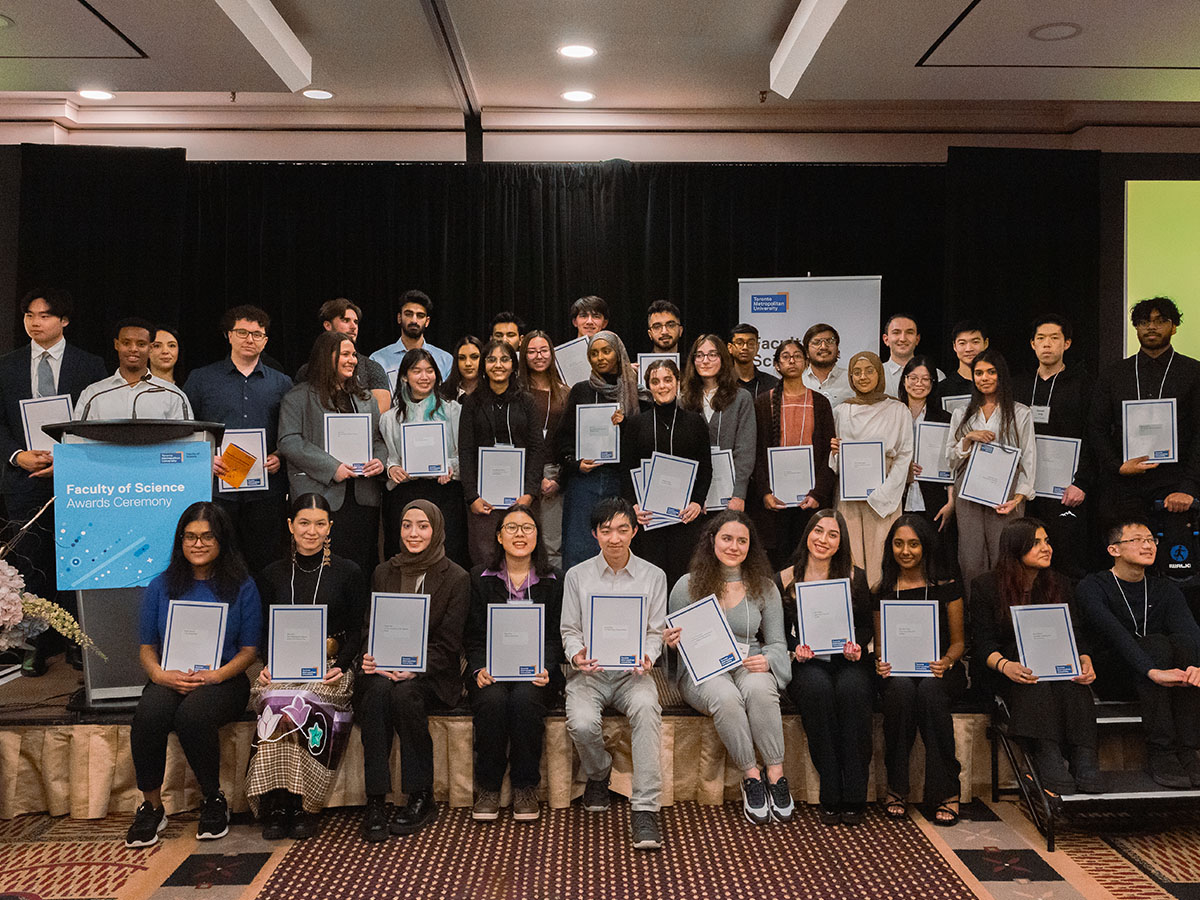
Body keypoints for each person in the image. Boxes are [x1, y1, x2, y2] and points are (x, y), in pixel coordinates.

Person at [124, 502, 261, 847]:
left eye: (207, 537)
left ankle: (213, 799)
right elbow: (146, 647)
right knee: (149, 714)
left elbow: (249, 651)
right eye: (190, 537)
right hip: (170, 676)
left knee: (193, 715)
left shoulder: (242, 586)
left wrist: (216, 676)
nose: (198, 544)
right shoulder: (160, 586)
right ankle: (152, 807)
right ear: (180, 541)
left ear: (221, 541)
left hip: (224, 680)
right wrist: (159, 676)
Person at [246, 493, 367, 839]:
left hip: (330, 667)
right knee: (276, 702)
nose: (311, 531)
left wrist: (342, 665)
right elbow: (263, 630)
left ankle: (303, 803)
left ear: (329, 528)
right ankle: (275, 801)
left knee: (302, 703)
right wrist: (267, 665)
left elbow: (357, 631)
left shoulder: (348, 572)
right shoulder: (272, 574)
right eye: (303, 523)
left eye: (319, 524)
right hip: (282, 666)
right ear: (290, 526)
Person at [0, 288, 106, 675]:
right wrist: (17, 455)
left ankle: (78, 639)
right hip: (24, 477)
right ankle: (36, 642)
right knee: (31, 562)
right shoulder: (7, 365)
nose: (35, 322)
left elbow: (97, 423)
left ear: (64, 320)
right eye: (29, 315)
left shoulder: (90, 365)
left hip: (75, 477)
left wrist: (69, 459)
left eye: (44, 315)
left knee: (78, 557)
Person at [663, 511, 794, 824]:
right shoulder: (687, 585)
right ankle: (751, 776)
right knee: (725, 696)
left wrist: (769, 660)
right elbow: (673, 643)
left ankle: (775, 774)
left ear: (751, 546)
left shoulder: (765, 587)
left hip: (748, 663)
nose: (734, 546)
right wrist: (670, 643)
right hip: (703, 671)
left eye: (742, 541)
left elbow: (778, 643)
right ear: (712, 541)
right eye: (727, 538)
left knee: (760, 689)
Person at [357, 500, 470, 841]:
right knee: (376, 691)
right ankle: (375, 798)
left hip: (432, 674)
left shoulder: (456, 577)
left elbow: (449, 645)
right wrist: (369, 657)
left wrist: (414, 668)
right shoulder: (384, 572)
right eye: (407, 525)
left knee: (406, 695)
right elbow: (370, 628)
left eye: (422, 526)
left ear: (436, 530)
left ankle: (420, 795)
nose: (413, 533)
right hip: (385, 670)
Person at [561, 497, 667, 850]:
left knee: (648, 710)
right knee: (581, 722)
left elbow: (655, 632)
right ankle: (599, 771)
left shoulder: (654, 576)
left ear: (635, 531)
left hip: (633, 675)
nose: (615, 538)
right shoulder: (577, 576)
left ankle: (645, 808)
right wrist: (577, 654)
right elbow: (569, 629)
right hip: (590, 675)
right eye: (606, 531)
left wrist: (649, 656)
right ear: (595, 534)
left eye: (623, 529)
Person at [969, 518, 1101, 795]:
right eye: (1036, 543)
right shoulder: (985, 586)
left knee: (1072, 672)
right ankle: (1046, 752)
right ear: (1016, 548)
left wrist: (1085, 659)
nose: (1046, 548)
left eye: (1047, 541)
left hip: (1053, 668)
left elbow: (1075, 634)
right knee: (1029, 659)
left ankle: (1084, 755)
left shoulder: (1060, 583)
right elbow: (982, 644)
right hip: (1004, 671)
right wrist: (1006, 666)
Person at [1077, 518, 1200, 788]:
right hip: (1115, 675)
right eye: (1137, 540)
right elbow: (1117, 636)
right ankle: (1161, 750)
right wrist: (1151, 670)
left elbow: (1191, 632)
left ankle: (1188, 750)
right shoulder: (1093, 586)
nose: (1148, 545)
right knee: (1154, 644)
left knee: (1183, 643)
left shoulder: (1164, 588)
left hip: (1162, 677)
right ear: (1114, 550)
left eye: (1151, 540)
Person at [464, 504, 564, 822]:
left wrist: (546, 667)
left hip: (537, 672)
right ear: (499, 536)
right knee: (491, 701)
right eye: (511, 528)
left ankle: (525, 785)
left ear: (537, 535)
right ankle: (488, 787)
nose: (519, 535)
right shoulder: (478, 578)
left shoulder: (554, 579)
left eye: (527, 528)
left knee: (525, 700)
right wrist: (479, 668)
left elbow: (556, 636)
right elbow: (473, 636)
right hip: (490, 670)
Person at [776, 510, 873, 825]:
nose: (823, 540)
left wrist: (857, 645)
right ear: (807, 533)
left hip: (847, 660)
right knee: (817, 690)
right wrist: (795, 648)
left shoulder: (856, 577)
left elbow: (866, 627)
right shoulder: (785, 578)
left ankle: (855, 791)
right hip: (807, 664)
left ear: (841, 542)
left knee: (853, 690)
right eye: (818, 531)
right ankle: (830, 787)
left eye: (833, 534)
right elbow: (778, 632)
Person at [184, 305, 293, 578]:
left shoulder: (282, 383)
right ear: (228, 335)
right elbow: (187, 430)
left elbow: (291, 431)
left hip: (266, 491)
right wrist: (204, 458)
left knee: (265, 563)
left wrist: (279, 455)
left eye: (257, 334)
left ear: (265, 341)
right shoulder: (201, 379)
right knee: (217, 561)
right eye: (242, 332)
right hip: (217, 488)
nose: (249, 339)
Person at [873, 515, 965, 825]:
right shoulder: (882, 589)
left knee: (929, 691)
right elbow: (880, 646)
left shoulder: (947, 587)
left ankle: (947, 790)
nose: (905, 551)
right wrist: (881, 661)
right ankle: (897, 787)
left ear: (926, 546)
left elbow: (958, 643)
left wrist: (946, 661)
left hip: (941, 670)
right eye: (898, 543)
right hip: (898, 672)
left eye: (913, 544)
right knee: (899, 691)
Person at [277, 331, 386, 577]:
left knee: (361, 566)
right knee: (325, 569)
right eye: (346, 355)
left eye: (354, 355)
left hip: (362, 497)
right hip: (320, 494)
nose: (353, 360)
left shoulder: (366, 398)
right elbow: (288, 441)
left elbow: (378, 440)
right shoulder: (297, 397)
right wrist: (332, 468)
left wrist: (379, 461)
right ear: (327, 357)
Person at [1089, 296, 1200, 524]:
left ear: (1174, 327)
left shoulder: (1193, 372)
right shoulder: (1114, 374)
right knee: (1124, 542)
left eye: (1160, 321)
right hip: (1124, 484)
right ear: (1136, 328)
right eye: (1143, 322)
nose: (1151, 327)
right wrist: (1117, 466)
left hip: (1175, 486)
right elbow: (1096, 427)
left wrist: (1189, 486)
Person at [947, 349, 1036, 595]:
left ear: (1001, 375)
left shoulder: (1020, 412)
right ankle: (976, 612)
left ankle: (1006, 611)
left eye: (991, 372)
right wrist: (968, 438)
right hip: (969, 490)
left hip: (1006, 493)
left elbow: (1029, 459)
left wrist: (1018, 498)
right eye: (978, 373)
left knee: (1004, 555)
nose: (984, 378)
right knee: (970, 557)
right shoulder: (961, 413)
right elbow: (950, 459)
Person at [1013, 314, 1094, 578]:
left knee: (1066, 559)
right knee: (1025, 557)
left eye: (1054, 338)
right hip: (1026, 489)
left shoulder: (1084, 385)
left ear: (1067, 343)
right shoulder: (1018, 385)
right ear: (1032, 344)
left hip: (1067, 490)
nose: (1047, 344)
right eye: (1041, 338)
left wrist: (1082, 482)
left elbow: (1093, 436)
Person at [623, 358, 712, 588]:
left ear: (678, 382)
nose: (662, 386)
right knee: (650, 579)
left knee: (684, 578)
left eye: (667, 380)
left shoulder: (695, 422)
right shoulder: (636, 424)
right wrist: (633, 506)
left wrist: (697, 502)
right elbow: (625, 470)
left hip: (685, 518)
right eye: (655, 381)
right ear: (648, 387)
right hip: (648, 519)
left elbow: (706, 468)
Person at [828, 351, 913, 586]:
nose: (863, 377)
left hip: (885, 494)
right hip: (849, 495)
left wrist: (884, 494)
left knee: (882, 559)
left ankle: (880, 605)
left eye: (869, 371)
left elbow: (904, 455)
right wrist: (834, 453)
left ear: (879, 374)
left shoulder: (898, 410)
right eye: (856, 372)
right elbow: (835, 459)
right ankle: (857, 606)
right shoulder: (841, 411)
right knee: (851, 558)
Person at [458, 338, 545, 566]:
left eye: (505, 359)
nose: (498, 365)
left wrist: (530, 493)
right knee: (486, 557)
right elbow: (465, 451)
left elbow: (537, 448)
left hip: (521, 496)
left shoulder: (527, 401)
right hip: (483, 499)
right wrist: (472, 497)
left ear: (514, 365)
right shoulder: (472, 403)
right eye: (492, 359)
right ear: (484, 365)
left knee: (522, 554)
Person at [558, 330, 640, 571]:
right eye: (594, 353)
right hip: (585, 481)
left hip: (621, 481)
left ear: (619, 353)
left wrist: (625, 424)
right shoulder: (580, 391)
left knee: (616, 547)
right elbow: (563, 438)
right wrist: (576, 463)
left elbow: (644, 441)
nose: (600, 357)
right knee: (578, 549)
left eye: (606, 351)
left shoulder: (636, 392)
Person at [751, 339, 836, 570]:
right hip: (774, 502)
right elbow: (756, 453)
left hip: (810, 500)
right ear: (776, 365)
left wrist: (818, 493)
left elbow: (829, 455)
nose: (792, 361)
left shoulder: (820, 403)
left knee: (809, 560)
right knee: (778, 564)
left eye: (797, 356)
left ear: (806, 363)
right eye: (786, 357)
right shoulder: (763, 403)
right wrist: (765, 492)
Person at [379, 347, 467, 568]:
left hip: (445, 492)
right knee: (404, 555)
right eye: (416, 371)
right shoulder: (390, 418)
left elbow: (464, 454)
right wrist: (392, 469)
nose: (424, 376)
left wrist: (451, 468)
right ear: (404, 377)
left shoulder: (453, 411)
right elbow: (388, 457)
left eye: (430, 370)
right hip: (405, 494)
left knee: (447, 556)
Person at [679, 334, 756, 514]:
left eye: (712, 355)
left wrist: (739, 494)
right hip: (693, 497)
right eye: (699, 355)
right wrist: (695, 496)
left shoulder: (741, 398)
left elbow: (745, 451)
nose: (705, 361)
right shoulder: (683, 400)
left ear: (723, 359)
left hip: (730, 494)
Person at [897, 355, 958, 575]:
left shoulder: (945, 418)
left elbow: (952, 462)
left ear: (933, 383)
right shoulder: (892, 414)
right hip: (898, 498)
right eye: (913, 378)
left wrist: (951, 502)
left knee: (936, 559)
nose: (919, 384)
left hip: (935, 500)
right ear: (904, 380)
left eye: (925, 379)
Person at [519, 330, 569, 568]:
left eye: (543, 350)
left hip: (553, 475)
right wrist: (532, 478)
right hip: (521, 472)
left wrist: (559, 478)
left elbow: (571, 439)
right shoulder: (516, 391)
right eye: (531, 351)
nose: (538, 356)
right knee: (520, 537)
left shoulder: (565, 391)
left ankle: (551, 588)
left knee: (552, 543)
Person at [76, 317, 190, 420]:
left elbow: (186, 436)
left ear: (150, 348)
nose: (133, 349)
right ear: (116, 345)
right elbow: (76, 435)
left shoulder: (173, 395)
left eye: (141, 344)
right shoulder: (93, 394)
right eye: (126, 343)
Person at [295, 298, 391, 414]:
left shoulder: (371, 368)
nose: (353, 326)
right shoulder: (307, 370)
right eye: (346, 320)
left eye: (356, 322)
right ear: (328, 325)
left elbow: (379, 415)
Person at [371, 289, 454, 381]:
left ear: (427, 321)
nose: (414, 320)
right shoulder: (378, 360)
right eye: (408, 314)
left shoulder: (445, 360)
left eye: (420, 315)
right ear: (399, 318)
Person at [881, 313, 942, 398]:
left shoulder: (937, 375)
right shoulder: (875, 376)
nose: (903, 339)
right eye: (896, 332)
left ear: (917, 339)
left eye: (909, 332)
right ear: (886, 339)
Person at [801, 323, 853, 409]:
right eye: (816, 342)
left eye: (829, 341)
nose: (823, 347)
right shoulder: (799, 382)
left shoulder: (851, 380)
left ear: (837, 348)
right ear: (806, 352)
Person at [940, 320, 989, 400]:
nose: (968, 349)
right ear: (954, 346)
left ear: (985, 343)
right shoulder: (942, 389)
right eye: (962, 343)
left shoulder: (997, 384)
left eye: (975, 342)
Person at [728, 323, 779, 399]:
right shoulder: (722, 382)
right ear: (730, 348)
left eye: (751, 344)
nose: (745, 347)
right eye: (739, 343)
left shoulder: (772, 383)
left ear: (757, 347)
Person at [442, 334, 483, 401]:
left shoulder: (492, 390)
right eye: (462, 358)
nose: (468, 363)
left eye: (474, 357)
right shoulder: (443, 392)